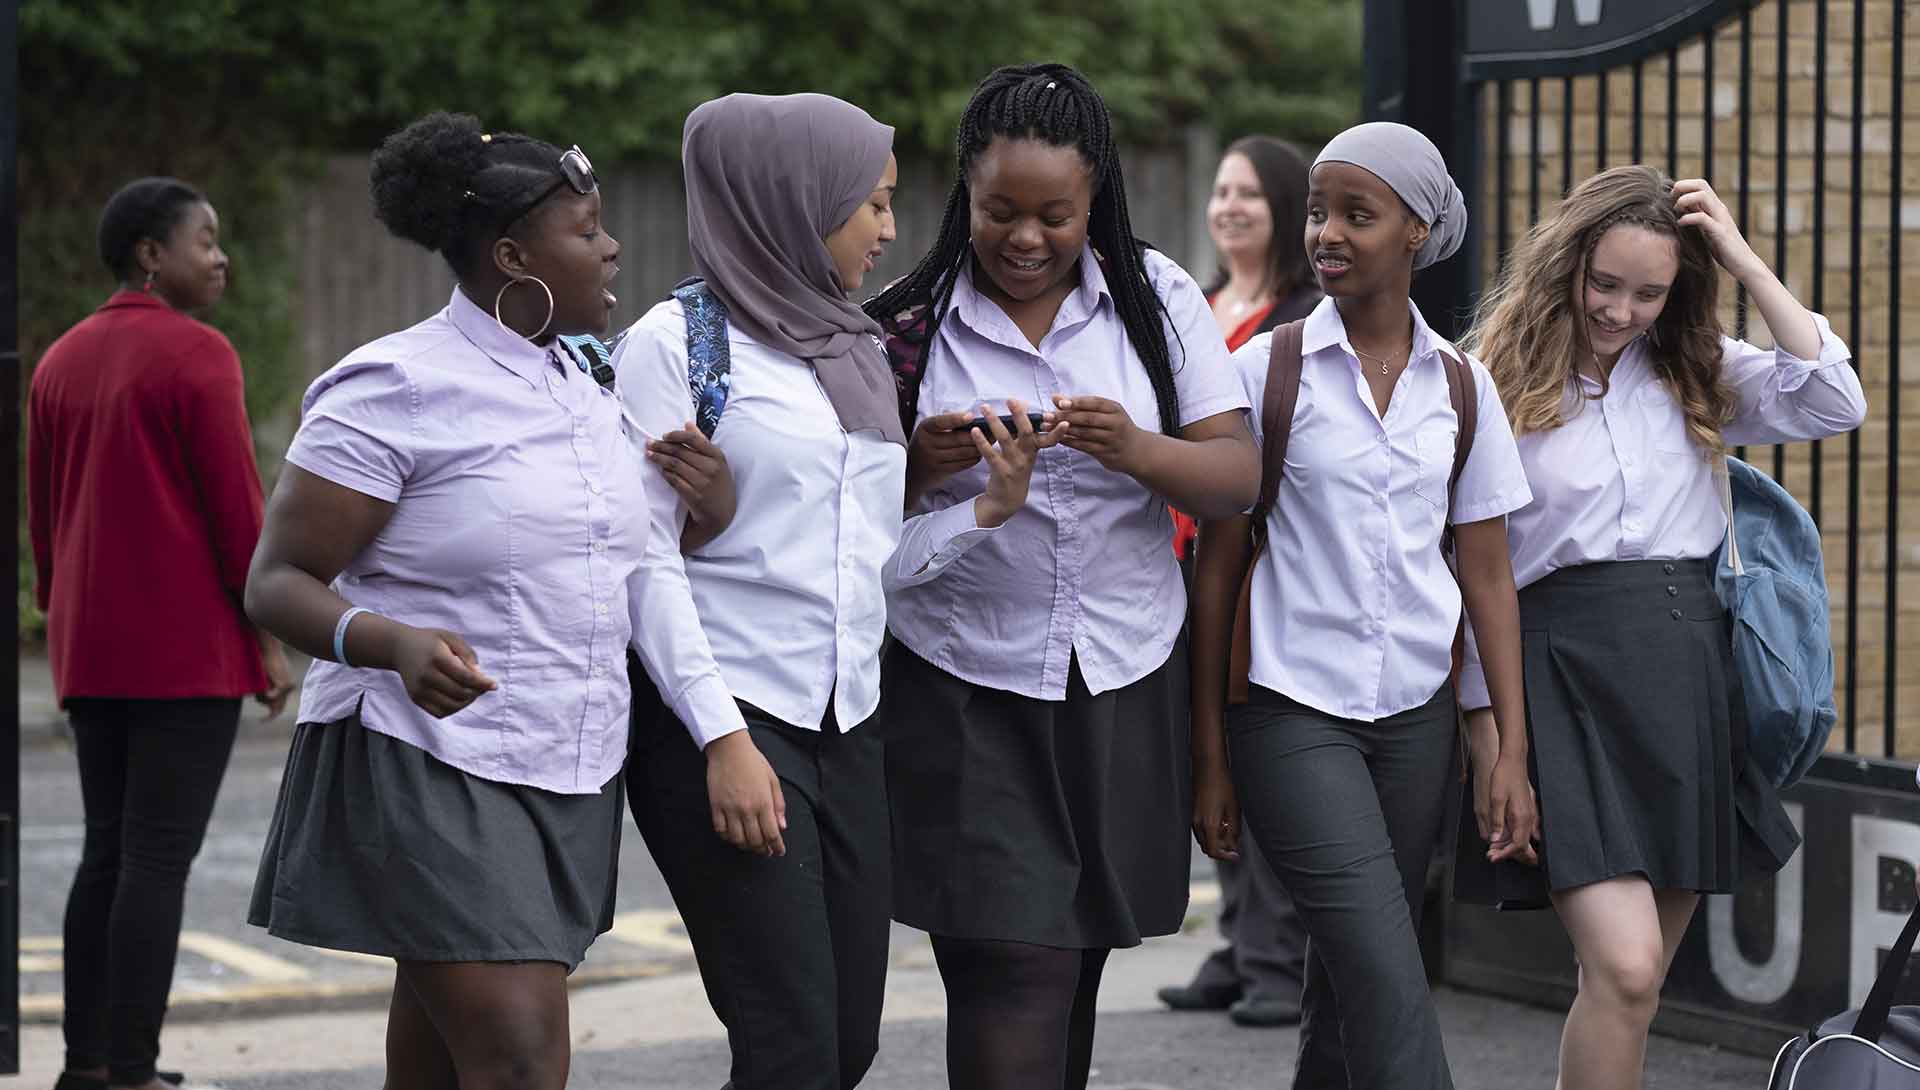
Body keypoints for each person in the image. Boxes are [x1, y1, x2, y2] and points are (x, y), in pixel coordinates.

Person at [243, 112, 742, 1090]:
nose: (611, 247)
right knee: (518, 1057)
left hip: (569, 755)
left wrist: (710, 511)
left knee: (436, 1063)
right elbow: (276, 580)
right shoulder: (393, 387)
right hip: (428, 761)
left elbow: (614, 559)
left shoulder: (585, 382)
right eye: (587, 227)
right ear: (514, 254)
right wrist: (388, 642)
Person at [865, 63, 1259, 1090]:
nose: (1026, 238)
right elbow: (844, 518)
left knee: (1073, 959)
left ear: (1098, 201)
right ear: (965, 192)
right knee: (1011, 961)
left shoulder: (1157, 296)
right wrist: (925, 465)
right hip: (962, 682)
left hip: (1122, 674)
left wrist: (1138, 450)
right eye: (1000, 210)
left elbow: (1234, 479)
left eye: (1056, 215)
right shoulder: (911, 323)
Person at [613, 91, 999, 1090]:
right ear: (791, 200)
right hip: (728, 713)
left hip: (846, 719)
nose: (888, 228)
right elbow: (642, 563)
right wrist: (723, 739)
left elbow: (865, 568)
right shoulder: (675, 342)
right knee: (790, 1045)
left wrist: (982, 514)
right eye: (868, 203)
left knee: (847, 1044)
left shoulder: (854, 348)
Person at [1454, 164, 1864, 1090]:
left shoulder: (1693, 367)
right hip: (1558, 672)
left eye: (1650, 291)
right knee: (1627, 964)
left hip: (1686, 669)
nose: (1621, 311)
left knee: (1629, 986)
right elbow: (1469, 577)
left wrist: (1741, 258)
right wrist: (1489, 738)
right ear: (1566, 265)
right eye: (1605, 284)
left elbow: (1836, 399)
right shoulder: (1488, 383)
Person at [1188, 122, 1539, 1090]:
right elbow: (1217, 566)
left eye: (1357, 213)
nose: (1327, 233)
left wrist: (1505, 747)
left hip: (1416, 716)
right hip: (1290, 707)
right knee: (1386, 969)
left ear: (1419, 231)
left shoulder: (1464, 389)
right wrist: (1210, 754)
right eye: (1317, 211)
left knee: (1350, 985)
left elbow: (1489, 576)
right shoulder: (1270, 368)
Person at [30, 176, 295, 1090]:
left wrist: (62, 612)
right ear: (152, 253)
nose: (220, 258)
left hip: (89, 646)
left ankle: (85, 1066)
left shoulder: (58, 360)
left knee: (106, 850)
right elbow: (238, 516)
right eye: (204, 240)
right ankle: (134, 1070)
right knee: (155, 859)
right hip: (186, 652)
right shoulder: (200, 355)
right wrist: (269, 639)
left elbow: (41, 519)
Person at [1159, 134, 1319, 1029]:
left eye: (1250, 193)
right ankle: (1236, 942)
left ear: (1289, 207)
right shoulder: (1200, 304)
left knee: (1258, 760)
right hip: (1183, 561)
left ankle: (1278, 960)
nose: (1228, 207)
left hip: (1262, 565)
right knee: (1206, 752)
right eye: (1220, 190)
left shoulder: (1302, 315)